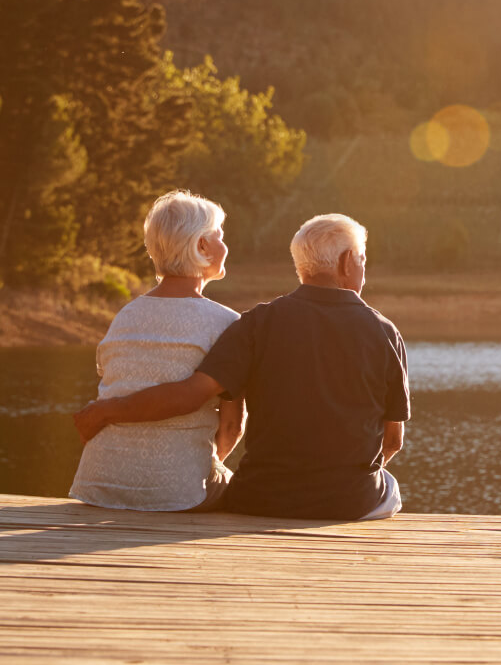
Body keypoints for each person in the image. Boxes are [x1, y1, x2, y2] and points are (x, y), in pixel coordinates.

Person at [73, 213, 409, 521]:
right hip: (351, 502)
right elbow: (392, 442)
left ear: (301, 266)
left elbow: (200, 399)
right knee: (389, 487)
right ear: (348, 263)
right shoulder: (385, 333)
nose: (363, 270)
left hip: (261, 498)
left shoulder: (255, 324)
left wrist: (107, 410)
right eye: (363, 260)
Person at [70, 190, 244, 512]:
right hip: (178, 493)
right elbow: (232, 428)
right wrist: (195, 469)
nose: (225, 246)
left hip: (99, 485)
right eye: (219, 236)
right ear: (202, 246)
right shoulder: (227, 323)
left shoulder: (125, 316)